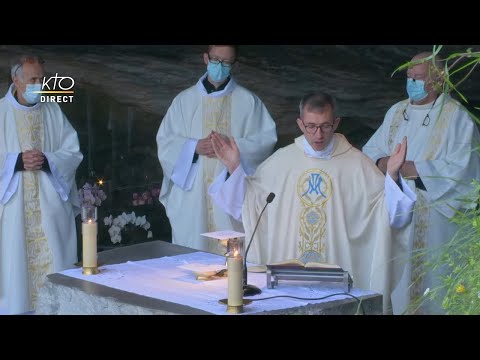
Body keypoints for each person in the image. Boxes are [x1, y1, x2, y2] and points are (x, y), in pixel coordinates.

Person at [208, 92, 416, 313]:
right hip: (288, 279)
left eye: (325, 126)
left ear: (336, 123)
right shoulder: (281, 162)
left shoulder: (358, 164)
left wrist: (392, 175)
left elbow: (389, 214)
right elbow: (249, 205)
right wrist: (234, 168)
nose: (318, 134)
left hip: (339, 278)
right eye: (311, 126)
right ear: (300, 124)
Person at [363, 51, 480, 314]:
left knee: (434, 290)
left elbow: (464, 170)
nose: (412, 83)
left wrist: (411, 168)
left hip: (436, 223)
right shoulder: (396, 112)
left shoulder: (456, 117)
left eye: (419, 77)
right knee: (398, 285)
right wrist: (388, 165)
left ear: (438, 80)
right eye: (409, 77)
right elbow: (369, 153)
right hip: (397, 217)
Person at [156, 45, 277, 253]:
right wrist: (193, 147)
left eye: (226, 62)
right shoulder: (183, 101)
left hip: (230, 202)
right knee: (192, 259)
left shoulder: (249, 102)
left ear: (234, 65)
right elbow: (165, 142)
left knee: (231, 264)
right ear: (205, 58)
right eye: (215, 60)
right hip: (193, 201)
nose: (219, 66)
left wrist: (232, 147)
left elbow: (264, 143)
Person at [0, 55, 83, 314]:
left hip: (49, 206)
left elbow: (73, 152)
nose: (39, 85)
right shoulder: (1, 112)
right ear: (16, 79)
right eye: (33, 79)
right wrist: (15, 162)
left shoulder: (53, 110)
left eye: (42, 79)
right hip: (14, 210)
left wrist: (48, 160)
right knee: (16, 273)